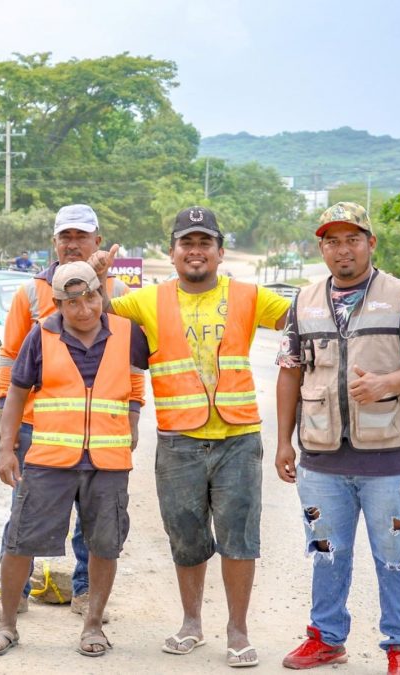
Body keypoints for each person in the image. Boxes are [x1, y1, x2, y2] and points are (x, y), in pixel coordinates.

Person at [90, 206, 290, 668]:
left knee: (239, 537)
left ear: (220, 252)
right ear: (172, 252)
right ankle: (191, 624)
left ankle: (237, 631)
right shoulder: (149, 300)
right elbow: (100, 314)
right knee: (186, 536)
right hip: (178, 441)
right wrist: (99, 277)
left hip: (238, 437)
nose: (195, 251)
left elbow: (302, 318)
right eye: (187, 243)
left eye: (205, 243)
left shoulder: (248, 295)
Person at [274, 203, 400, 675]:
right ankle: (326, 638)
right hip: (320, 460)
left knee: (395, 556)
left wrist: (388, 383)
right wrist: (284, 441)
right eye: (332, 241)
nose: (342, 249)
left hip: (389, 461)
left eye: (352, 239)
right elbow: (289, 372)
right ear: (321, 248)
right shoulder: (303, 301)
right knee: (326, 553)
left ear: (371, 243)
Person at [0, 262, 146, 658]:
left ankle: (93, 626)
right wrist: (6, 448)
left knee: (105, 545)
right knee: (20, 540)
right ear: (57, 304)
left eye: (91, 297)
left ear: (100, 293)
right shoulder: (41, 335)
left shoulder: (127, 332)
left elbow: (140, 376)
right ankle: (7, 625)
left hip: (108, 462)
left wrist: (133, 418)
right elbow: (16, 393)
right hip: (49, 460)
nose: (84, 309)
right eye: (72, 302)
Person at [0, 203, 131, 621]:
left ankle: (85, 592)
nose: (72, 244)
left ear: (97, 240)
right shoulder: (31, 292)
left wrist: (133, 415)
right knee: (24, 517)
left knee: (94, 523)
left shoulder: (120, 292)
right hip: (37, 428)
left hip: (100, 430)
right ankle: (13, 595)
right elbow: (11, 358)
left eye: (81, 237)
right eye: (65, 237)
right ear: (53, 242)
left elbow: (129, 358)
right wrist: (7, 422)